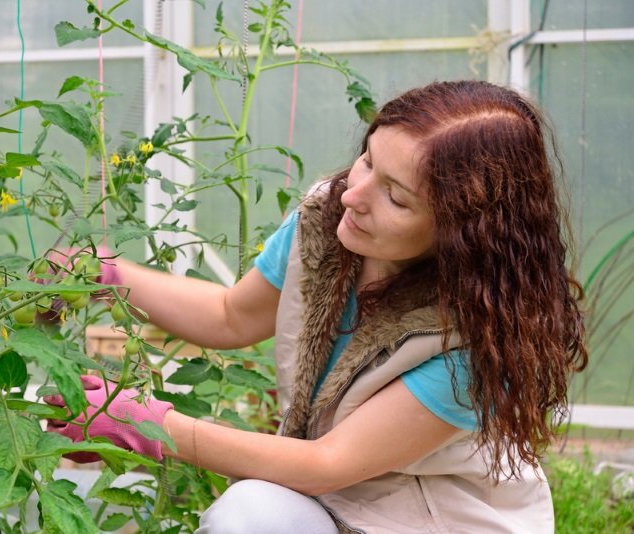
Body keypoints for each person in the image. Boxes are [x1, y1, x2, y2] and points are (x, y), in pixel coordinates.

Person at [44, 80, 588, 533]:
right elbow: (232, 316)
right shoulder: (331, 223)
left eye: (396, 197)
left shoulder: (475, 338)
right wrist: (105, 273)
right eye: (367, 160)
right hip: (330, 501)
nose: (354, 194)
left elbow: (328, 464)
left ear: (462, 232)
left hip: (433, 522)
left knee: (250, 516)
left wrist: (151, 424)